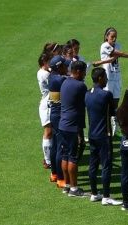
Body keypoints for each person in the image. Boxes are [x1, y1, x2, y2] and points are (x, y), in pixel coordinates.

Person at [92, 28, 128, 136]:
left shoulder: (118, 45)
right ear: (106, 36)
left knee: (116, 100)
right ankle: (106, 125)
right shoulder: (105, 46)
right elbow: (118, 54)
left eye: (115, 36)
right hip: (107, 77)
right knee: (107, 102)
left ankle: (114, 124)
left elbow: (116, 56)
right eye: (112, 37)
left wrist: (108, 59)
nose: (114, 39)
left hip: (117, 76)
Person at [85, 68, 122, 206]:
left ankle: (94, 193)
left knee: (93, 164)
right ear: (100, 78)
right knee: (106, 165)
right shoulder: (106, 95)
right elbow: (113, 113)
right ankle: (106, 196)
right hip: (104, 135)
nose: (106, 79)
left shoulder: (87, 93)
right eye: (105, 77)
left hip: (92, 134)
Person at [59, 60, 88, 197]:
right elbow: (87, 101)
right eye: (84, 72)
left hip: (63, 125)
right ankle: (74, 189)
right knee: (73, 157)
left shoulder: (65, 82)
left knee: (65, 155)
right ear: (77, 71)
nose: (85, 74)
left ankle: (67, 185)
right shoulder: (80, 85)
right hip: (73, 126)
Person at [47, 56, 69, 189]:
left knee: (55, 145)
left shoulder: (52, 77)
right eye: (64, 66)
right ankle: (61, 178)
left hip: (54, 114)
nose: (66, 68)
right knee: (60, 146)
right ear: (59, 67)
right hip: (60, 115)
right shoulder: (60, 79)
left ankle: (54, 173)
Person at [37, 53, 52, 175]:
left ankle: (48, 158)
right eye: (49, 61)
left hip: (47, 102)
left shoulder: (42, 71)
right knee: (48, 132)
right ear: (44, 63)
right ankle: (47, 160)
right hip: (47, 105)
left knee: (50, 132)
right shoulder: (45, 74)